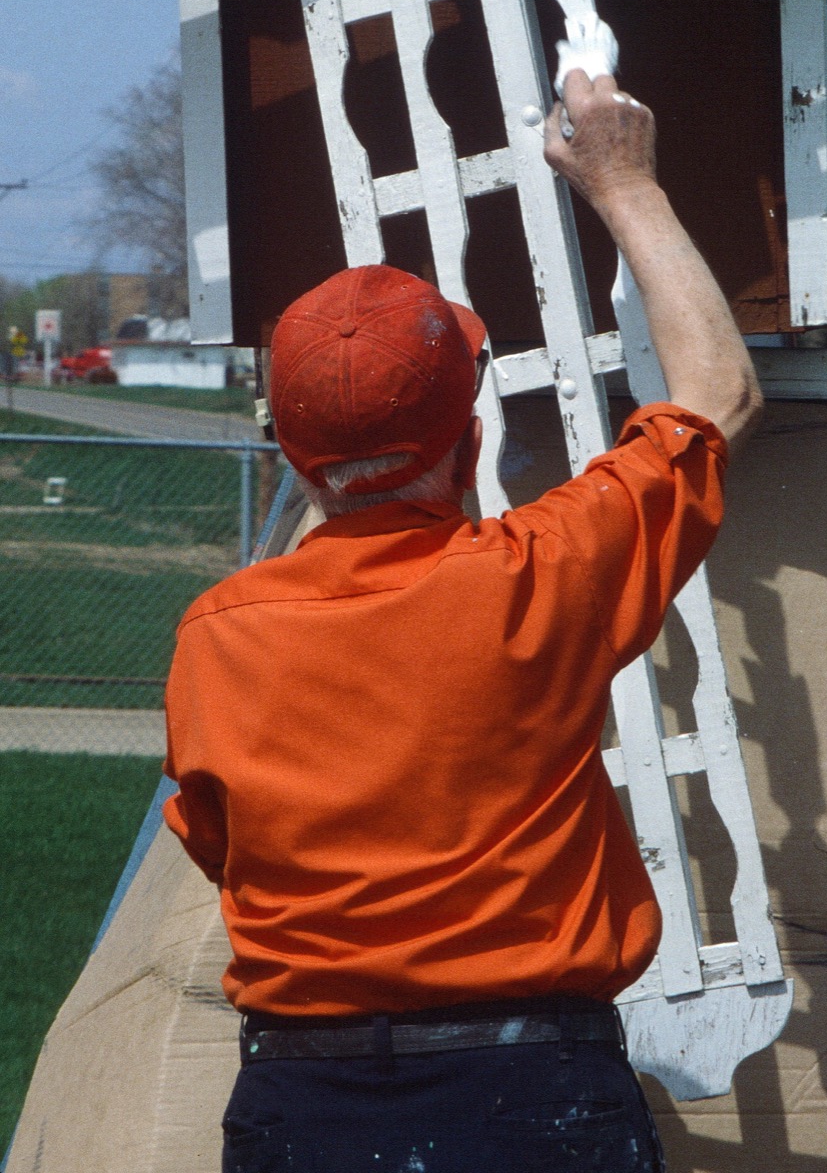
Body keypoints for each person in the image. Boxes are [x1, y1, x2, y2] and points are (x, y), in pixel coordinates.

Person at [163, 66, 762, 1173]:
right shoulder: (542, 570)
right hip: (531, 1095)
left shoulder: (215, 636)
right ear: (469, 441)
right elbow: (714, 392)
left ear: (294, 460)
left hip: (300, 1105)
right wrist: (623, 182)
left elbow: (220, 845)